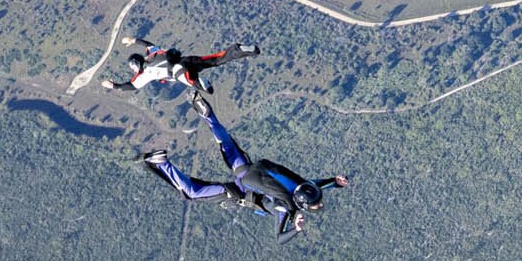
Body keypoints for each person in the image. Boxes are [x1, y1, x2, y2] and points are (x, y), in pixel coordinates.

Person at [141, 98, 348, 240]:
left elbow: (319, 185)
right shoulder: (286, 209)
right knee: (192, 193)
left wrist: (335, 183)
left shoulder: (300, 185)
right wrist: (296, 228)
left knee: (227, 143)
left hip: (249, 169)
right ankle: (161, 163)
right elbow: (280, 238)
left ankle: (207, 114)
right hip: (238, 193)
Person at [104, 37, 260, 96]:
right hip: (186, 60)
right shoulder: (153, 53)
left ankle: (201, 83)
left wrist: (114, 86)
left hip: (178, 72)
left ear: (136, 66)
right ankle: (238, 50)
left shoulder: (143, 74)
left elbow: (131, 86)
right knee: (215, 59)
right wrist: (134, 40)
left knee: (195, 84)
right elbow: (149, 44)